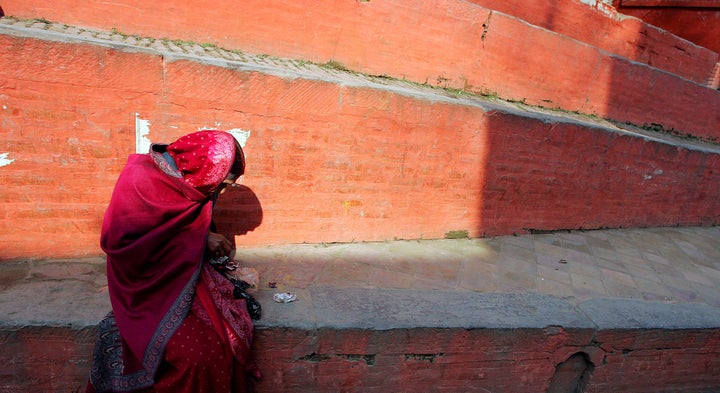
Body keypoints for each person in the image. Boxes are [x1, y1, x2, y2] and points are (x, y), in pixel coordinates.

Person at [87, 130, 260, 393]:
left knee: (227, 340)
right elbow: (122, 246)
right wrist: (201, 239)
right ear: (206, 169)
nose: (220, 191)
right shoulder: (139, 179)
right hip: (144, 288)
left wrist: (204, 241)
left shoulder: (191, 183)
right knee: (197, 358)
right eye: (222, 184)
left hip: (180, 277)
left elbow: (181, 227)